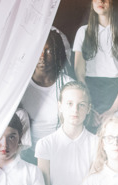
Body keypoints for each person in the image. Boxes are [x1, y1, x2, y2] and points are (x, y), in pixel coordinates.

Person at [73, 0, 118, 121]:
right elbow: (79, 73)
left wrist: (114, 108)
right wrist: (89, 106)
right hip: (90, 90)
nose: (100, 1)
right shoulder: (83, 32)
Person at [20, 28, 74, 164]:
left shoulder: (68, 85)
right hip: (28, 157)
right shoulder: (21, 87)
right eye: (38, 50)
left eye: (49, 51)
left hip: (61, 155)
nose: (42, 57)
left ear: (57, 53)